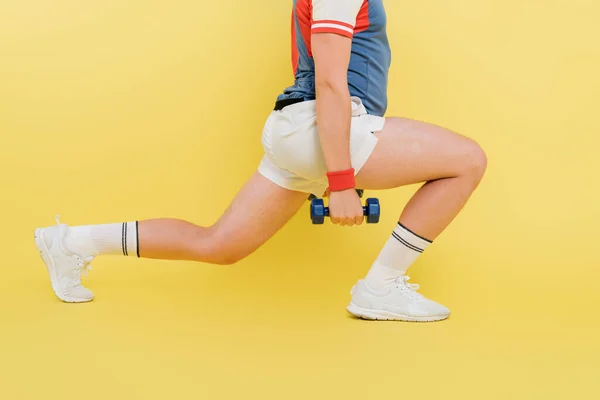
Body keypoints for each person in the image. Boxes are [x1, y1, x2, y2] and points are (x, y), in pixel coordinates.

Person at [34, 0, 486, 322]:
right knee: (467, 160)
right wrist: (343, 182)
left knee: (219, 245)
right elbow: (330, 83)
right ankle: (380, 287)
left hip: (298, 131)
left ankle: (70, 242)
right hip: (321, 126)